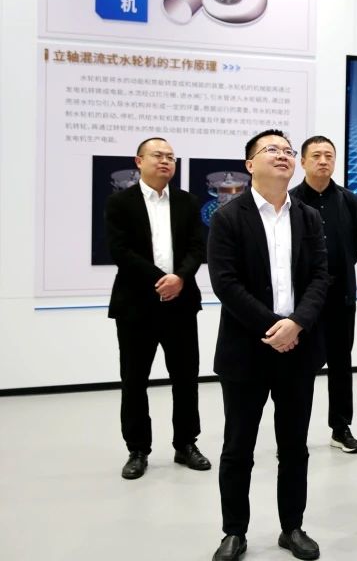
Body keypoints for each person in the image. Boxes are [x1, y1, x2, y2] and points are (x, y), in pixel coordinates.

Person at [208, 130, 329, 561]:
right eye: (271, 150)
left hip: (298, 349)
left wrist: (296, 324)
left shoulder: (308, 217)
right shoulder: (228, 217)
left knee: (294, 447)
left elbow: (320, 277)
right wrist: (274, 326)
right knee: (238, 447)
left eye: (287, 151)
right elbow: (225, 282)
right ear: (249, 165)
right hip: (246, 350)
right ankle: (234, 532)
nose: (282, 156)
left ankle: (292, 527)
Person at [105, 137, 209, 480]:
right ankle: (137, 449)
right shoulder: (120, 202)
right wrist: (161, 279)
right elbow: (120, 251)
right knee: (134, 380)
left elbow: (197, 247)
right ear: (139, 161)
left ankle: (186, 444)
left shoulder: (187, 201)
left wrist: (180, 278)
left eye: (170, 157)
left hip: (181, 304)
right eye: (157, 155)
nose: (165, 161)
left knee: (186, 378)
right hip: (136, 305)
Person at [291, 135, 357, 453]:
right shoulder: (291, 200)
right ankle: (294, 433)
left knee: (340, 364)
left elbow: (356, 245)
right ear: (303, 162)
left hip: (341, 297)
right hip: (304, 301)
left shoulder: (348, 200)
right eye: (316, 155)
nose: (323, 161)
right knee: (300, 368)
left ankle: (340, 428)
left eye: (329, 156)